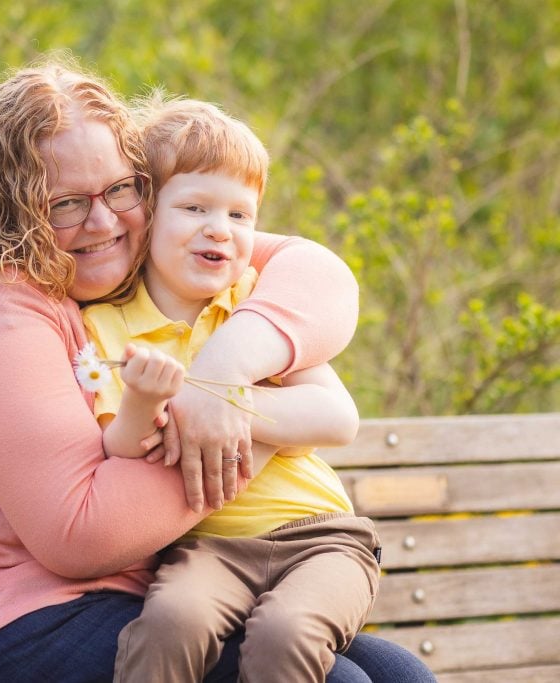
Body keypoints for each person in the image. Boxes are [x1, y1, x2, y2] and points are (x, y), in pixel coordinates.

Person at [0, 58, 435, 682]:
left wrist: (223, 377)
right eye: (65, 203)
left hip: (120, 593)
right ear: (8, 208)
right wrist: (249, 428)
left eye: (121, 189)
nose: (103, 221)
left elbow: (313, 271)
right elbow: (80, 535)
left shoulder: (111, 266)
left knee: (398, 675)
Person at [80, 97, 381, 683]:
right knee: (170, 622)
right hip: (207, 549)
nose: (220, 228)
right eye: (195, 207)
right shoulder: (109, 327)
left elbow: (335, 418)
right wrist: (143, 403)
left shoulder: (253, 306)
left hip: (319, 537)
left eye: (241, 215)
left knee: (285, 635)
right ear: (145, 214)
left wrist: (217, 399)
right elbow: (120, 449)